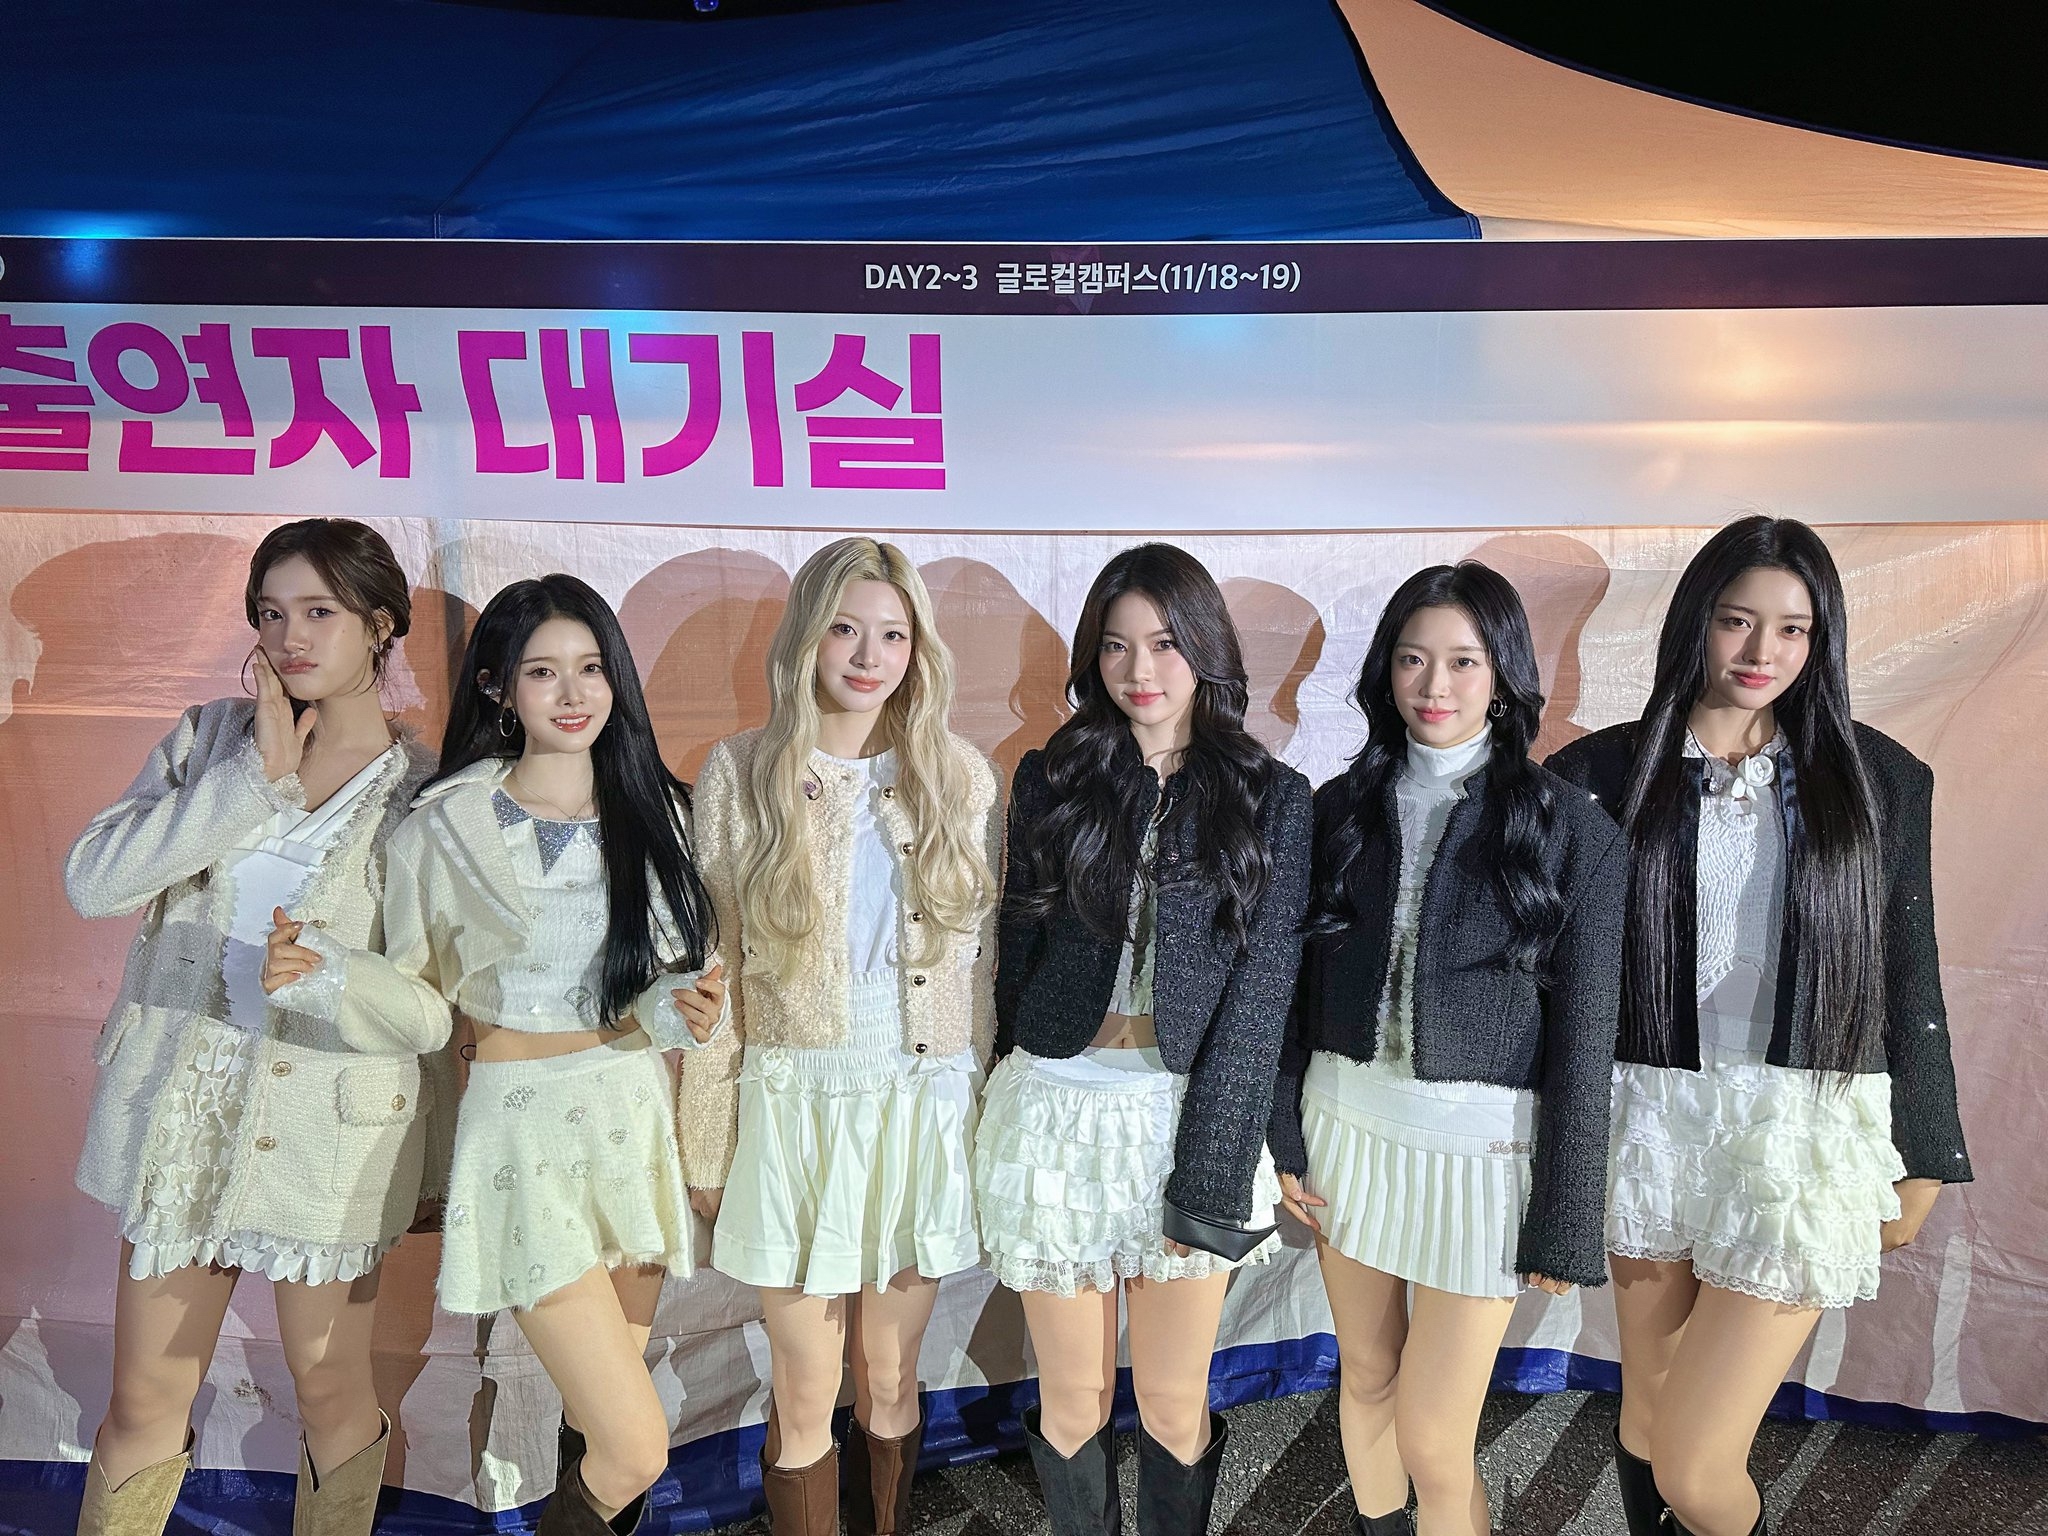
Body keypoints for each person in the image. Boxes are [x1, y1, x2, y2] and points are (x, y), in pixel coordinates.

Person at [265, 574, 727, 1536]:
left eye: (592, 668)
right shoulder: (445, 826)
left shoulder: (660, 814)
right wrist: (328, 975)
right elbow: (422, 1006)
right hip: (521, 1134)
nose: (574, 693)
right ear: (498, 687)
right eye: (544, 671)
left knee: (603, 1437)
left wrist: (681, 1010)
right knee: (637, 1446)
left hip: (630, 1124)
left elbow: (648, 999)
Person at [1545, 516, 1972, 1536]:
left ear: (1820, 640)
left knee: (1696, 1466)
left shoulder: (1878, 778)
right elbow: (1553, 975)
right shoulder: (1597, 774)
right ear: (1695, 622)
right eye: (1736, 621)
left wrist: (1925, 1151)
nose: (1760, 652)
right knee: (1648, 1416)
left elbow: (1907, 969)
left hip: (1800, 1126)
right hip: (1648, 1114)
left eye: (1792, 629)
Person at [66, 519, 441, 1536]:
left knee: (330, 1392)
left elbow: (429, 1000)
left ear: (381, 625)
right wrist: (252, 780)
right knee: (143, 1399)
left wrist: (330, 974)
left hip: (330, 1127)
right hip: (185, 1110)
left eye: (319, 611)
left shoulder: (425, 795)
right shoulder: (210, 742)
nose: (290, 637)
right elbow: (94, 883)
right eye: (271, 613)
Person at [1268, 563, 1626, 1536]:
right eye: (1412, 659)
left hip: (1481, 1155)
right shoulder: (1335, 808)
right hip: (1344, 1131)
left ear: (1503, 674)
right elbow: (1291, 995)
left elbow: (1584, 1041)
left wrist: (1565, 1216)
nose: (1434, 685)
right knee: (1366, 1379)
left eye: (1463, 661)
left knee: (1433, 1436)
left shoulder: (1572, 830)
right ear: (1384, 671)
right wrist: (1283, 1138)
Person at [976, 542, 1312, 1535]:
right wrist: (999, 1073)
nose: (1139, 670)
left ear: (1204, 650)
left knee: (1170, 1401)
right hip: (1055, 1106)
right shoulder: (1054, 775)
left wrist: (1215, 1166)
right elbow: (1017, 943)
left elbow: (1261, 997)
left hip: (1182, 1116)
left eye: (1164, 643)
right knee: (1073, 1400)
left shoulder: (1272, 795)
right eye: (1116, 646)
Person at [677, 537, 1001, 1536]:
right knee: (806, 1383)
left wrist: (978, 1116)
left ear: (919, 650)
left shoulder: (958, 776)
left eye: (893, 635)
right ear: (807, 638)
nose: (868, 656)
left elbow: (978, 973)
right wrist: (707, 1137)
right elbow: (717, 969)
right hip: (793, 1105)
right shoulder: (739, 773)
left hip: (920, 1101)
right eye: (845, 629)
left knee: (892, 1374)